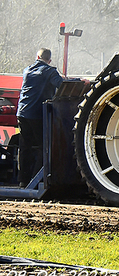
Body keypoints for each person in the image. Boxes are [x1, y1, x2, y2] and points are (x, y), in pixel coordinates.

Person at [16, 48, 64, 187]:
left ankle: (23, 180)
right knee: (43, 147)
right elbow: (61, 85)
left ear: (37, 56)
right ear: (49, 60)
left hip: (22, 113)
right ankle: (36, 180)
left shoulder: (27, 70)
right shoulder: (49, 71)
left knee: (25, 147)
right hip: (37, 115)